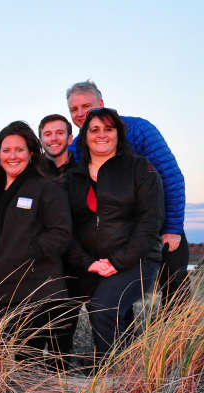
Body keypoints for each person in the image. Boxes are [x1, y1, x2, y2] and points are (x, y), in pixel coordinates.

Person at [66, 80, 187, 301]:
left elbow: (171, 177)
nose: (80, 113)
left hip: (156, 223)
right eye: (74, 109)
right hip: (116, 234)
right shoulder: (75, 149)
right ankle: (129, 337)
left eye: (87, 106)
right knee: (119, 298)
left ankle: (177, 336)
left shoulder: (139, 129)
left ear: (102, 103)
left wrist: (172, 227)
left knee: (175, 286)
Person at [64, 108, 163, 359]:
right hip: (93, 263)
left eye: (109, 129)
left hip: (136, 259)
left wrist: (117, 262)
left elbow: (150, 222)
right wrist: (89, 263)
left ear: (119, 133)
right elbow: (66, 229)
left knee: (103, 309)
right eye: (94, 130)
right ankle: (132, 367)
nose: (102, 135)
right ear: (84, 136)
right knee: (119, 314)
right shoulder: (72, 177)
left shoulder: (140, 168)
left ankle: (111, 379)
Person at [0, 121, 72, 353]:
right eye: (6, 150)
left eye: (19, 149)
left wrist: (27, 253)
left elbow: (61, 234)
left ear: (32, 153)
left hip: (34, 294)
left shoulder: (46, 188)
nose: (12, 156)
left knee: (25, 367)